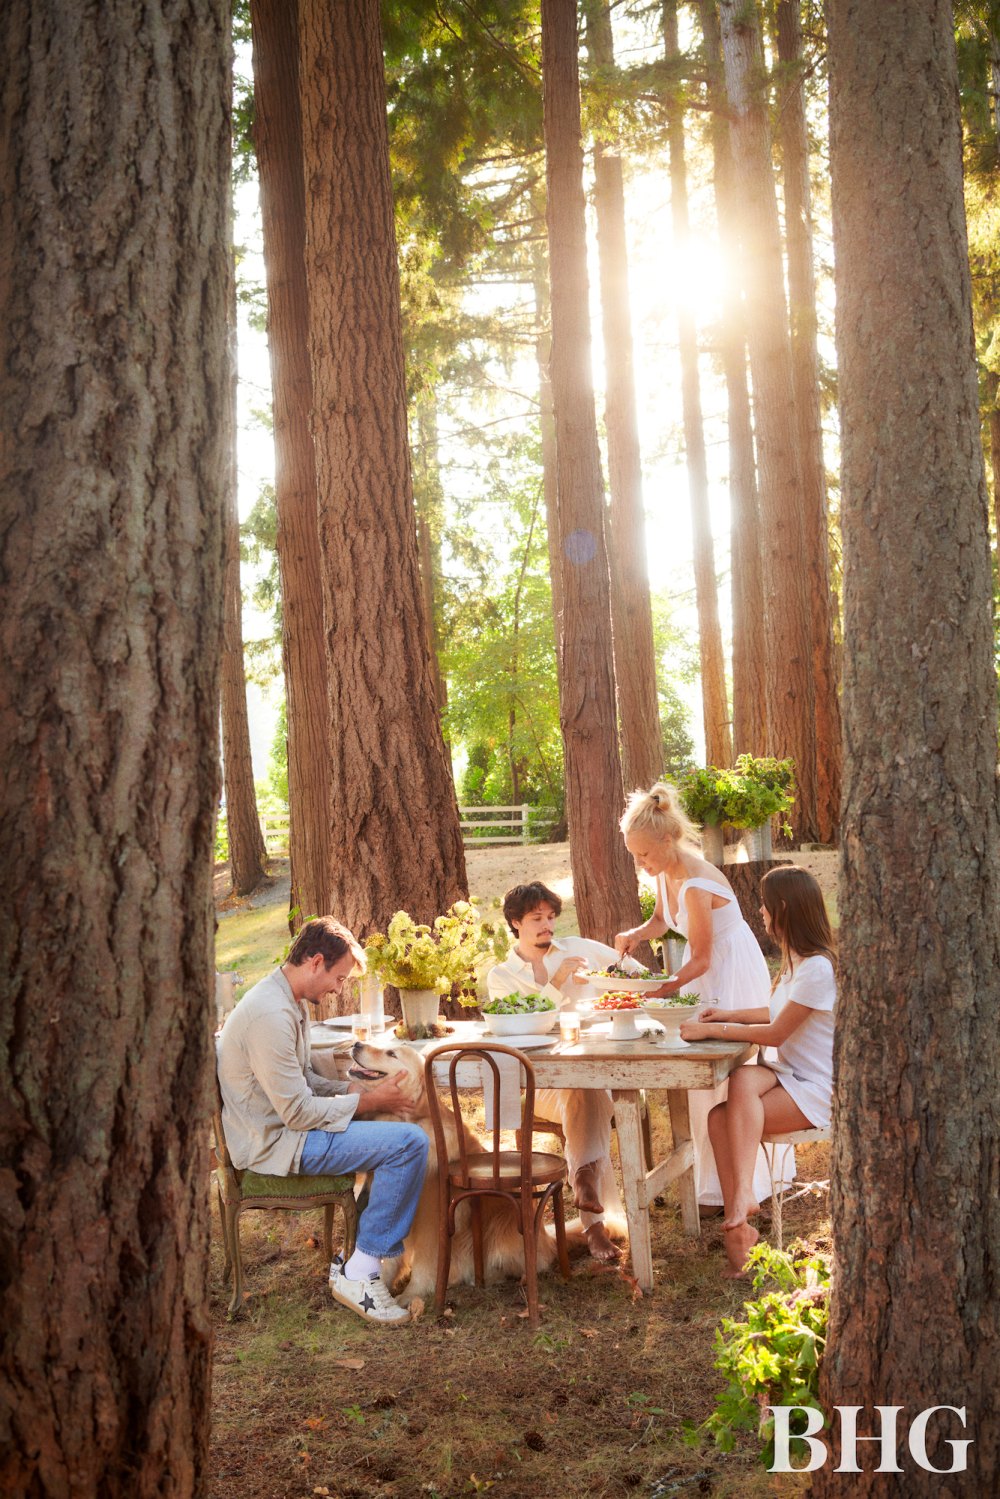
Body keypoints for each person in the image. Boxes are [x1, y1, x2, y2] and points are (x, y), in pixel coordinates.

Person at [217, 916, 429, 1326]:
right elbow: (296, 1112)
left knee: (398, 1139)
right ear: (316, 962)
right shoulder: (270, 1015)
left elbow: (307, 1082)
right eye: (339, 977)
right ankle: (361, 1273)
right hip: (278, 1144)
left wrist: (358, 1094)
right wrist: (368, 1104)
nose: (339, 988)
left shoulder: (286, 1001)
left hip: (289, 1132)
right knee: (409, 1143)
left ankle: (359, 1259)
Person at [614, 782, 781, 1213]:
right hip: (699, 970)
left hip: (727, 970)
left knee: (723, 1073)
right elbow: (660, 919)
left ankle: (746, 1188)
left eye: (644, 855)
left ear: (668, 840)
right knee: (697, 1077)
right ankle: (711, 1187)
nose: (640, 864)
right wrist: (636, 934)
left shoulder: (697, 881)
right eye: (635, 856)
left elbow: (704, 957)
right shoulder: (668, 873)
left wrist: (660, 990)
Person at [678, 866, 836, 1277]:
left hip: (817, 1087)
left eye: (764, 907)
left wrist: (711, 1028)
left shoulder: (819, 967)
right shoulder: (796, 962)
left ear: (782, 909)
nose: (761, 915)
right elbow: (776, 1010)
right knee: (725, 1105)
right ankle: (740, 1228)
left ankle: (742, 1202)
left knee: (736, 1092)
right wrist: (728, 1012)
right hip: (788, 1074)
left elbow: (778, 1032)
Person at [486, 881, 641, 1264]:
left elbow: (634, 973)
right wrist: (557, 983)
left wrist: (612, 978)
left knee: (584, 1086)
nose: (547, 926)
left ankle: (587, 1196)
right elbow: (522, 1025)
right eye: (537, 918)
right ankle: (586, 1184)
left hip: (589, 1076)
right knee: (581, 1088)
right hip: (540, 1087)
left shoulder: (578, 949)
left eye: (551, 917)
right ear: (515, 922)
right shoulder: (502, 975)